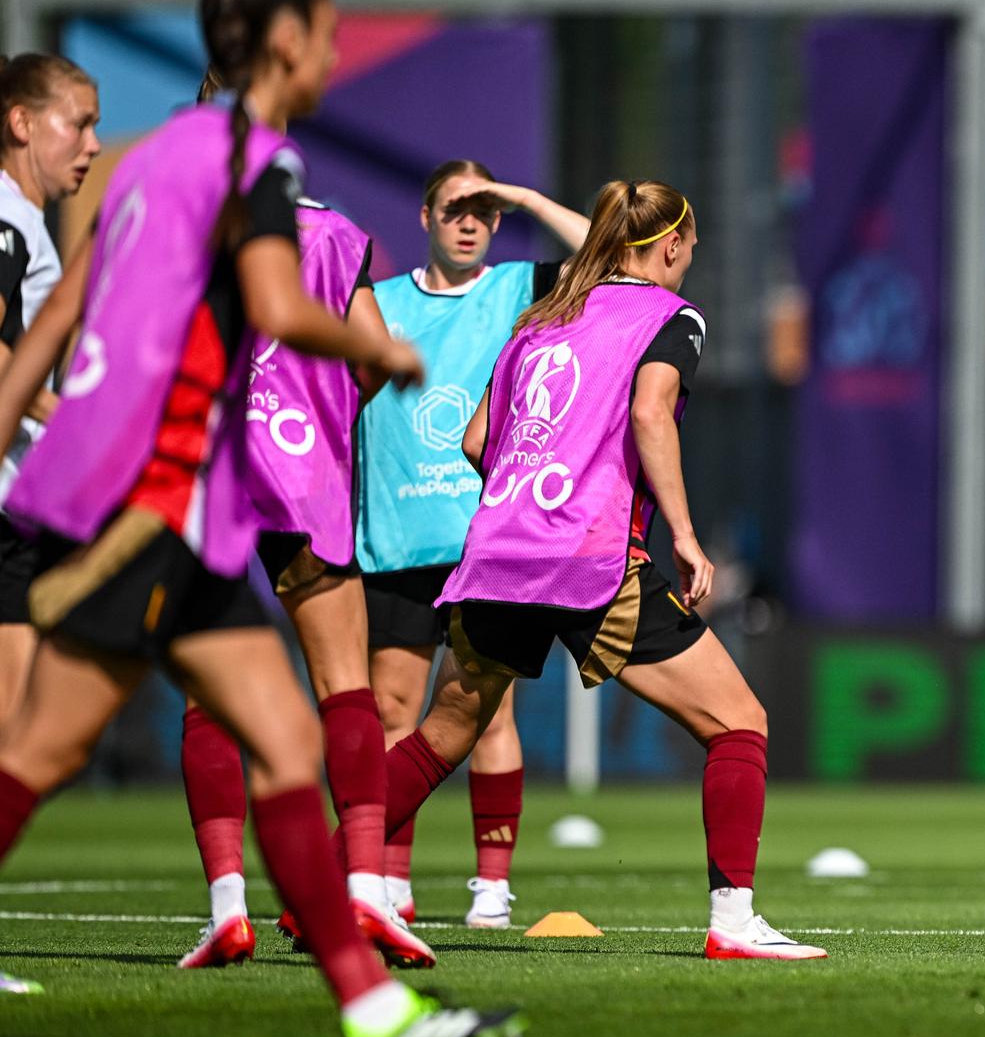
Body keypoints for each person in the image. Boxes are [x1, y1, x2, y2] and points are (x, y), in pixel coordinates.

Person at [0, 0, 523, 1037]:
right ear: (285, 43)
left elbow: (53, 322)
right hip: (148, 500)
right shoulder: (260, 161)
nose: (337, 55)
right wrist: (382, 356)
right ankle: (374, 1012)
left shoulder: (139, 159)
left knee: (287, 743)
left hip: (169, 507)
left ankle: (374, 1018)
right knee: (38, 756)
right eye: (330, 34)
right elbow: (282, 308)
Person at [375, 179, 824, 961]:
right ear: (675, 246)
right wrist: (683, 533)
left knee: (440, 737)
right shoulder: (671, 317)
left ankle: (318, 880)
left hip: (500, 553)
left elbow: (479, 441)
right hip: (589, 554)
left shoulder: (539, 320)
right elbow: (651, 414)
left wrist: (530, 501)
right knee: (738, 723)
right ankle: (734, 922)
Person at [173, 65, 431, 971]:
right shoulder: (339, 234)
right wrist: (319, 414)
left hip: (208, 467)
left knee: (211, 690)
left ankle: (228, 906)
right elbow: (364, 355)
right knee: (343, 686)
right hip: (307, 474)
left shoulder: (183, 218)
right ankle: (363, 890)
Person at [356, 159, 587, 928]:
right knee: (393, 708)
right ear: (424, 216)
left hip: (485, 544)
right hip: (394, 539)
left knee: (487, 713)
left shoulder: (517, 289)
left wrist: (523, 195)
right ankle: (388, 885)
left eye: (485, 211)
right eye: (455, 206)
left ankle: (492, 889)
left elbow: (613, 259)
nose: (469, 220)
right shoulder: (375, 304)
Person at [0, 54, 101, 725]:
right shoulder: (7, 218)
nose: (92, 144)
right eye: (80, 124)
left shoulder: (28, 222)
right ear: (22, 123)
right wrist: (57, 415)